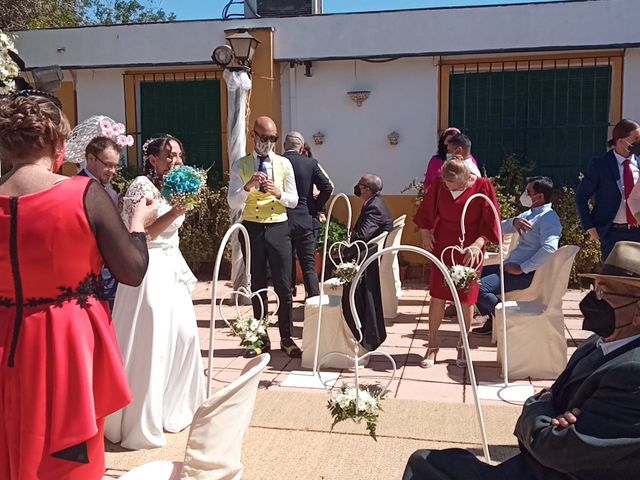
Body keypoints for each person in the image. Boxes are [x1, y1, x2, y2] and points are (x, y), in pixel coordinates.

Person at [0, 92, 155, 479]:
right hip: (65, 342)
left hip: (6, 336)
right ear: (58, 142)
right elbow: (132, 270)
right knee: (66, 460)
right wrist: (138, 221)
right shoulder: (82, 193)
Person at [402, 240, 640, 480]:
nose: (593, 300)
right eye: (594, 288)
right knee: (431, 462)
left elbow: (556, 448)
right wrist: (548, 415)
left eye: (604, 292)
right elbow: (552, 404)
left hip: (554, 473)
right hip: (539, 464)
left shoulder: (633, 372)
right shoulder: (599, 343)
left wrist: (537, 409)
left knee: (426, 468)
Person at [105, 135, 206, 450]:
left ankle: (174, 407)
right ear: (152, 158)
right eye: (169, 154)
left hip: (172, 269)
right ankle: (136, 420)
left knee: (185, 337)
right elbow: (142, 232)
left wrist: (183, 204)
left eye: (179, 153)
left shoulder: (174, 185)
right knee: (152, 344)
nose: (176, 159)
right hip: (147, 270)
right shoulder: (140, 187)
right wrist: (176, 212)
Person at [414, 156, 501, 368]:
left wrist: (478, 243)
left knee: (466, 298)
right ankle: (432, 347)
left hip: (470, 248)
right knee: (437, 296)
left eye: (453, 184)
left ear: (466, 178)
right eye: (446, 183)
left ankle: (462, 345)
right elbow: (426, 211)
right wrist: (426, 233)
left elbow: (491, 219)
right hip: (443, 245)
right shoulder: (441, 184)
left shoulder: (482, 186)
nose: (448, 187)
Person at [227, 116, 301, 358]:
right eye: (264, 138)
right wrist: (248, 187)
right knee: (257, 283)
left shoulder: (283, 164)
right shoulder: (241, 164)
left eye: (273, 139)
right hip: (252, 227)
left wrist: (279, 193)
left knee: (284, 284)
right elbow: (232, 201)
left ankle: (287, 337)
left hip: (279, 227)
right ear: (253, 136)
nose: (268, 143)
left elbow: (294, 200)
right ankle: (260, 335)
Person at [472, 176, 562, 335]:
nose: (525, 195)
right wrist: (513, 222)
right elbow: (498, 228)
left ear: (539, 196)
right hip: (510, 266)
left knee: (478, 288)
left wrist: (522, 268)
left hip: (524, 274)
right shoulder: (530, 214)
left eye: (528, 192)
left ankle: (509, 322)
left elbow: (549, 248)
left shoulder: (548, 218)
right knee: (471, 277)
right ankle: (493, 319)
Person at [576, 118, 640, 261]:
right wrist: (590, 226)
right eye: (635, 138)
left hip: (637, 231)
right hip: (612, 232)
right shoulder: (600, 164)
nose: (638, 142)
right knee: (613, 279)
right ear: (621, 141)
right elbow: (581, 196)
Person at [283, 131, 334, 299]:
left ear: (284, 145)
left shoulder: (277, 163)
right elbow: (327, 186)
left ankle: (287, 301)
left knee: (286, 263)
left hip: (282, 220)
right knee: (308, 264)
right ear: (301, 147)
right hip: (306, 219)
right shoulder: (310, 163)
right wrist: (316, 208)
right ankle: (312, 300)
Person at [78, 136, 122, 309]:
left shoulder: (111, 193)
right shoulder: (74, 188)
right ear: (90, 158)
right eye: (108, 164)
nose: (112, 171)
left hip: (111, 274)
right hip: (86, 275)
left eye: (115, 166)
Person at [351, 174, 394, 243]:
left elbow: (362, 237)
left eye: (359, 184)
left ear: (367, 189)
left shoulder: (374, 208)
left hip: (369, 251)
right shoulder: (376, 202)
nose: (357, 186)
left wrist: (344, 251)